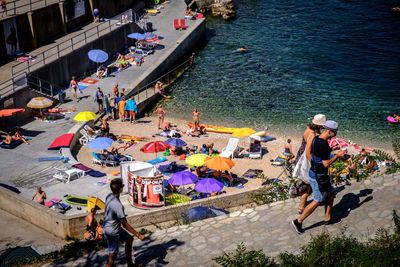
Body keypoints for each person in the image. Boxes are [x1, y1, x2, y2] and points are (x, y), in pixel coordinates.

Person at [292, 120, 346, 234]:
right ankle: (299, 221)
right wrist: (337, 155)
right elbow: (326, 163)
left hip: (314, 173)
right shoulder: (324, 145)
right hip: (319, 177)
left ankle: (328, 218)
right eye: (335, 132)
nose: (336, 135)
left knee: (331, 193)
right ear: (329, 131)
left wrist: (329, 153)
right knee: (317, 200)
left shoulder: (315, 139)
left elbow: (312, 155)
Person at [103, 178, 145, 267]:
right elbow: (124, 224)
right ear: (121, 189)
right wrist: (138, 235)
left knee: (129, 239)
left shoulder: (109, 196)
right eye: (122, 186)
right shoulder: (118, 205)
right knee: (112, 255)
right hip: (112, 231)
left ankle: (130, 264)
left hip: (110, 226)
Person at [293, 114, 326, 214]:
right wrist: (315, 164)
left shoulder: (307, 130)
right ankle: (302, 206)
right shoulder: (312, 135)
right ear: (319, 126)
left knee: (306, 183)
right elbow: (308, 152)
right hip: (306, 160)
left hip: (300, 155)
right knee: (308, 184)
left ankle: (302, 205)